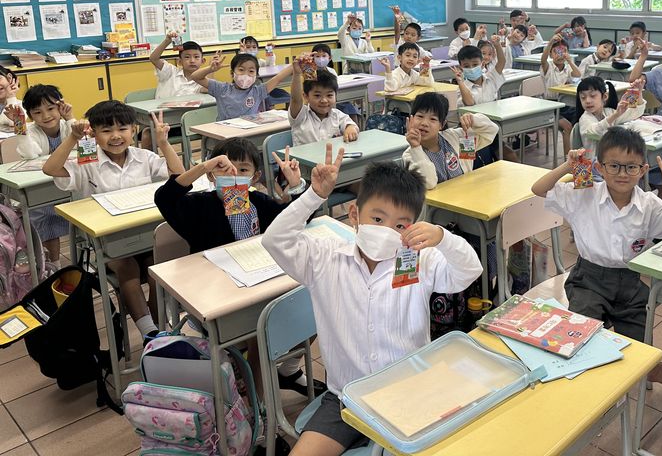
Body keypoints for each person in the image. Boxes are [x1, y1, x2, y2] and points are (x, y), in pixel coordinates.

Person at [262, 149, 483, 456]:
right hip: (346, 398)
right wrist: (314, 195)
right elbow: (274, 240)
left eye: (400, 226)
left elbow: (469, 271)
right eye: (377, 219)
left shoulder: (421, 260)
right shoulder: (325, 258)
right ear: (355, 215)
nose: (386, 231)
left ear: (413, 227)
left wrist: (443, 238)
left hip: (412, 393)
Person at [532, 128, 662, 429]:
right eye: (614, 165)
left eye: (631, 167)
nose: (622, 173)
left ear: (643, 169)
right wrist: (568, 165)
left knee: (644, 359)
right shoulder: (583, 193)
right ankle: (586, 400)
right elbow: (538, 189)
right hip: (588, 281)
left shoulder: (649, 204)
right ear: (599, 167)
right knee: (579, 347)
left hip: (630, 286)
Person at [153, 137, 321, 396]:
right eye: (223, 168)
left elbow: (299, 218)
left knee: (314, 306)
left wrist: (297, 184)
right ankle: (260, 404)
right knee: (260, 333)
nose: (233, 174)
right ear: (212, 175)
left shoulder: (259, 203)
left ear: (255, 177)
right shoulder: (198, 207)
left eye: (242, 169)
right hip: (215, 295)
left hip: (259, 286)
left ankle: (286, 370)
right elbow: (164, 198)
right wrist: (202, 167)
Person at [43, 100, 184, 341]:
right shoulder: (88, 161)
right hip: (109, 241)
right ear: (93, 134)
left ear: (133, 130)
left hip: (145, 235)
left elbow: (179, 176)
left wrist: (163, 143)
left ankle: (161, 329)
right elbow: (51, 169)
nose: (116, 136)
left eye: (122, 129)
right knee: (128, 269)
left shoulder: (144, 157)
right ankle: (150, 333)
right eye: (106, 130)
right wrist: (73, 138)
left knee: (157, 268)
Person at [15, 85, 74, 266]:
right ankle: (55, 265)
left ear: (61, 106)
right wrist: (19, 125)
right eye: (38, 112)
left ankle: (78, 262)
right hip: (43, 190)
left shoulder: (66, 125)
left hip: (68, 185)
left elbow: (82, 146)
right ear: (30, 115)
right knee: (46, 222)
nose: (46, 116)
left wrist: (70, 118)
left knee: (78, 220)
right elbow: (29, 154)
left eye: (50, 108)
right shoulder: (31, 131)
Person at [402, 92, 498, 188]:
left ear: (442, 125)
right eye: (420, 116)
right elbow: (429, 184)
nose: (424, 123)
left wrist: (473, 119)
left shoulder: (457, 138)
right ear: (411, 119)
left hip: (466, 193)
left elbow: (492, 131)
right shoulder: (410, 155)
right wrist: (416, 147)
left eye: (433, 119)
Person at [190, 52, 292, 121]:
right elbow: (195, 77)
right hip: (226, 134)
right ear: (232, 73)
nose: (246, 75)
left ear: (256, 76)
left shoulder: (258, 91)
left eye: (251, 71)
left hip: (248, 133)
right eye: (241, 70)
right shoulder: (222, 89)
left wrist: (295, 64)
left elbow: (278, 78)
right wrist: (210, 69)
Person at [290, 64, 359, 146]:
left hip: (332, 154)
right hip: (304, 154)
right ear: (306, 96)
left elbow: (350, 124)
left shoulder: (337, 115)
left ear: (335, 96)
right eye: (317, 95)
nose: (324, 100)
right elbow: (295, 99)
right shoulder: (301, 116)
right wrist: (297, 74)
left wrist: (350, 128)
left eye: (329, 95)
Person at [541, 34, 582, 153]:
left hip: (565, 105)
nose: (560, 55)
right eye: (556, 52)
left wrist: (570, 61)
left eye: (564, 51)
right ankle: (567, 158)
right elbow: (543, 60)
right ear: (550, 54)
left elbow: (578, 74)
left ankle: (578, 153)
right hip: (550, 106)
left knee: (581, 119)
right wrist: (550, 43)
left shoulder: (567, 68)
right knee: (567, 126)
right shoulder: (548, 67)